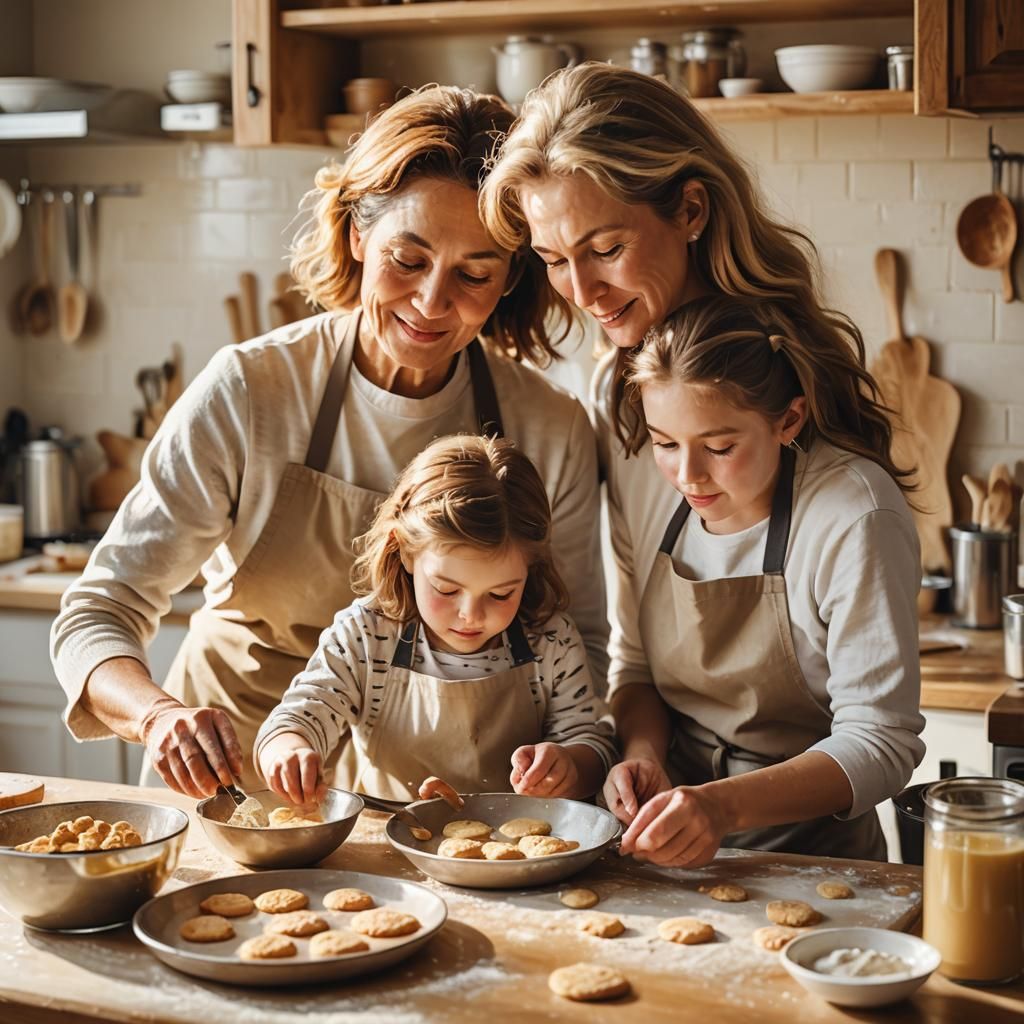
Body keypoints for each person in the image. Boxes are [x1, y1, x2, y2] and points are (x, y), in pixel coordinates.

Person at [50, 86, 607, 799]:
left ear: (509, 280)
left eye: (474, 274)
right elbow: (97, 612)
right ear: (355, 236)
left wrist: (562, 764)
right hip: (238, 775)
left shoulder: (547, 425)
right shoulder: (251, 391)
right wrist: (159, 718)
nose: (433, 303)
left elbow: (580, 642)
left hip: (446, 800)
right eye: (407, 259)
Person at [480, 63, 924, 864]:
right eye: (551, 258)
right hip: (656, 847)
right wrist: (640, 755)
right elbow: (636, 655)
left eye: (605, 247)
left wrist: (718, 807)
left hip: (815, 865)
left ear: (689, 209)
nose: (580, 290)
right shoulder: (623, 402)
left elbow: (882, 740)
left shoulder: (845, 498)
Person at [256, 434, 615, 804]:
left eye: (500, 594)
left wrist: (569, 766)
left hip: (518, 849)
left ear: (531, 568)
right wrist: (287, 753)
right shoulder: (364, 636)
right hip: (383, 840)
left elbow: (592, 746)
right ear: (405, 552)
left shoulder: (551, 641)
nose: (470, 615)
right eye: (446, 589)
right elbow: (297, 719)